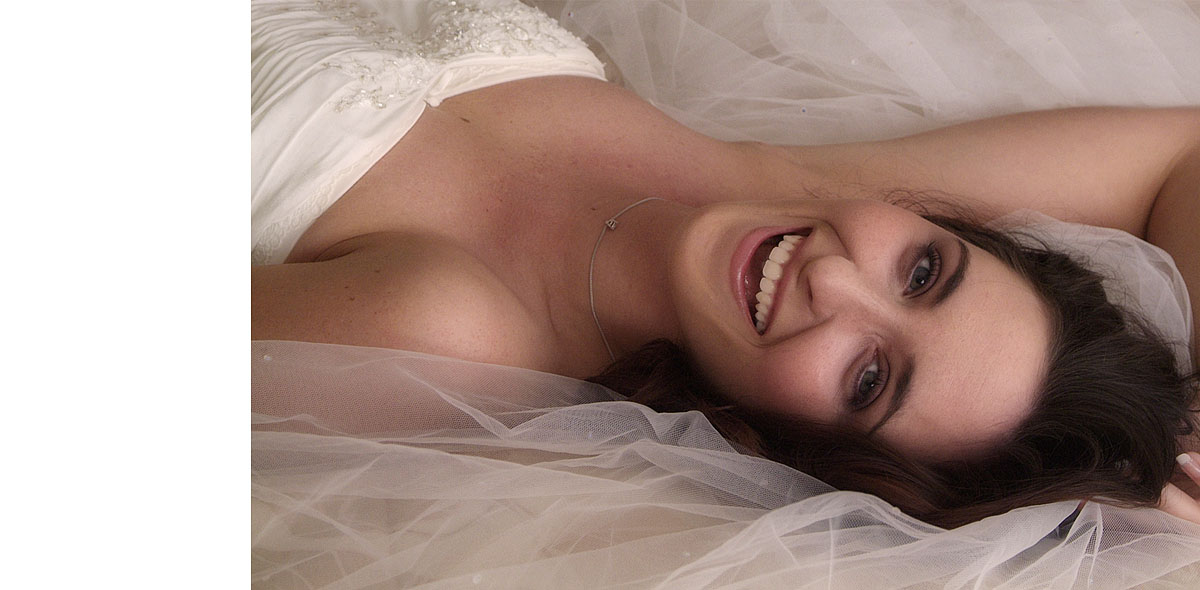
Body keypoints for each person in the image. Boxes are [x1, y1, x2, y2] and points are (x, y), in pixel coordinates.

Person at [251, 0, 1199, 528]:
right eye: (923, 273)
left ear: (795, 449)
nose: (835, 282)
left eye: (869, 378)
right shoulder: (780, 192)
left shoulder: (447, 333)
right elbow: (1184, 156)